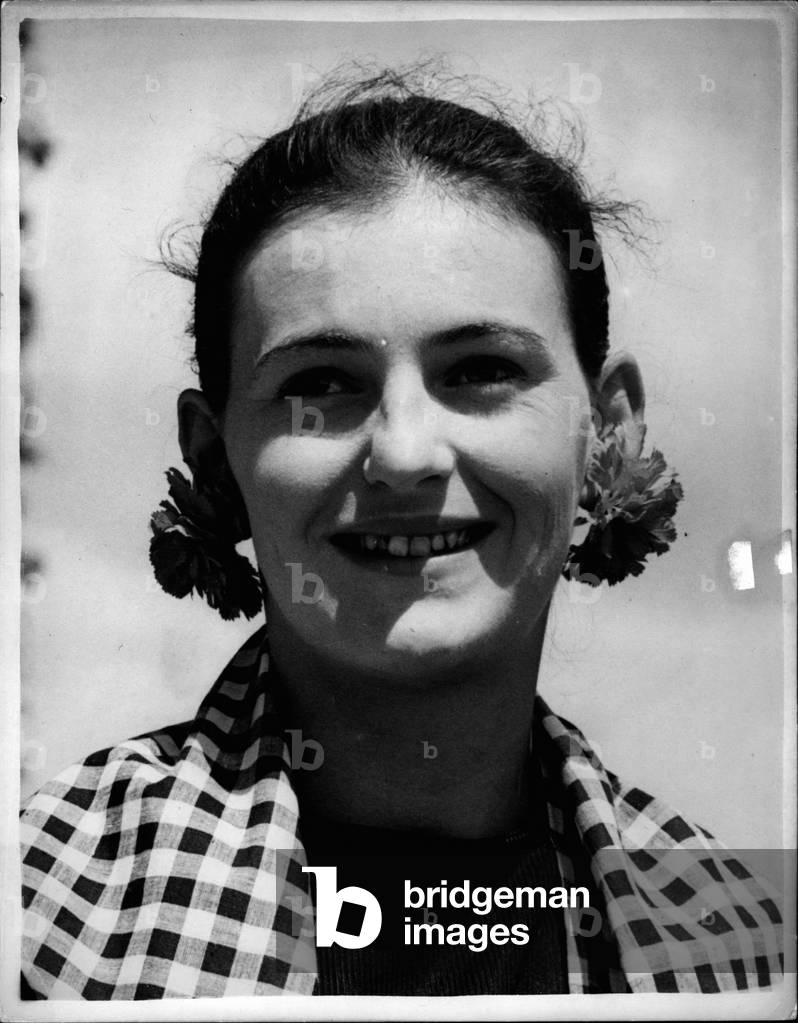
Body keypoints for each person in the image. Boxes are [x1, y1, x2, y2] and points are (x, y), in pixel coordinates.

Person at [20, 69, 783, 1000]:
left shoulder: (742, 945)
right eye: (321, 384)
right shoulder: (39, 907)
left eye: (482, 369)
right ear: (216, 461)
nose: (406, 452)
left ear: (607, 433)